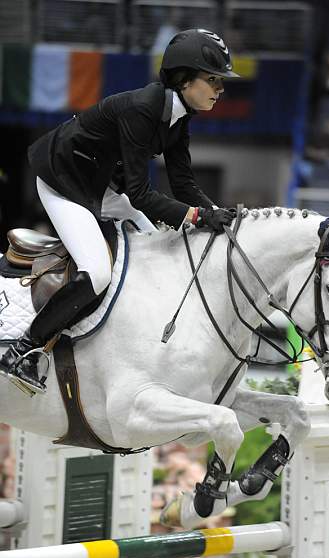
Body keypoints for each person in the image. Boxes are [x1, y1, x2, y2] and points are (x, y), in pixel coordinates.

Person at [0, 28, 239, 394]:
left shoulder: (179, 115)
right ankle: (24, 348)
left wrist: (218, 214)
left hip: (100, 185)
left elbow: (183, 183)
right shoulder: (144, 108)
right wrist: (195, 217)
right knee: (96, 272)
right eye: (213, 79)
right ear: (184, 78)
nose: (220, 89)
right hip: (63, 182)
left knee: (155, 247)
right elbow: (142, 194)